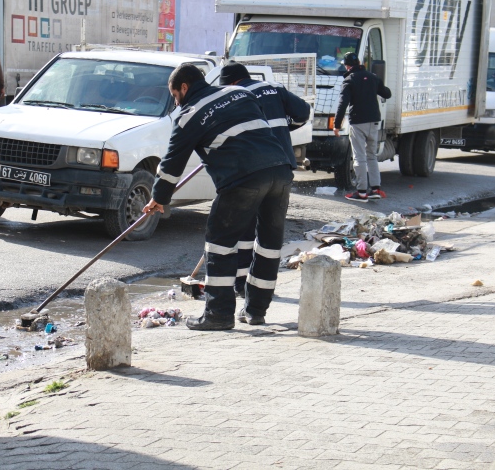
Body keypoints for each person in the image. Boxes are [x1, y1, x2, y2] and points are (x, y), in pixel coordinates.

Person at [142, 64, 293, 330]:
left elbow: (171, 163)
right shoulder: (239, 94)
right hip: (280, 170)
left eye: (174, 95)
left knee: (220, 243)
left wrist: (159, 197)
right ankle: (256, 311)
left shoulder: (188, 116)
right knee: (269, 245)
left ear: (184, 88)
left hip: (243, 178)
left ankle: (218, 314)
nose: (175, 102)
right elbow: (248, 129)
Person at [218, 61, 311, 301]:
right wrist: (283, 128)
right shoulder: (274, 88)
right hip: (281, 168)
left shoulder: (234, 96)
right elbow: (303, 112)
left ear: (231, 82)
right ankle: (261, 296)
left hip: (251, 170)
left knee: (244, 230)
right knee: (270, 234)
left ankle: (241, 285)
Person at [332, 52, 392, 202]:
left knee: (359, 156)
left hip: (358, 122)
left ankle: (362, 192)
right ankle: (376, 189)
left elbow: (342, 104)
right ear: (359, 63)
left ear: (347, 65)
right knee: (371, 155)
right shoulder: (372, 77)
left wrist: (336, 125)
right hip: (374, 122)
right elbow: (387, 93)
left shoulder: (349, 80)